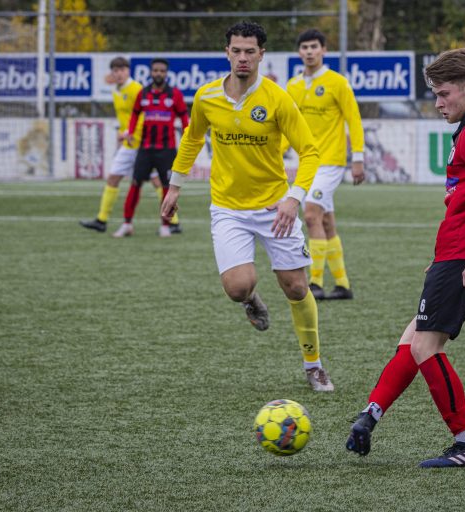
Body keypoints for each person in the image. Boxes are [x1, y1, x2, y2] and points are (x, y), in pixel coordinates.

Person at [345, 48, 465, 467]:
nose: (438, 103)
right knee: (414, 338)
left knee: (425, 345)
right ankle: (368, 416)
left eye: (444, 94)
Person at [160, 21, 334, 392]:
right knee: (237, 287)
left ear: (261, 55)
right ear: (227, 53)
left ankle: (314, 365)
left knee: (295, 288)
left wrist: (293, 198)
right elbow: (191, 140)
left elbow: (310, 152)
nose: (242, 57)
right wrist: (174, 187)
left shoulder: (276, 98)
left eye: (249, 51)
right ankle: (252, 299)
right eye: (236, 51)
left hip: (275, 207)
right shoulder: (206, 97)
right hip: (227, 207)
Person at [286, 29, 365, 300]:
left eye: (314, 47)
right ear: (299, 52)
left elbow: (353, 120)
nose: (309, 51)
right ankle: (342, 285)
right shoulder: (293, 85)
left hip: (330, 162)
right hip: (307, 162)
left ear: (324, 50)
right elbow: (287, 125)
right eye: (304, 47)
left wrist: (358, 158)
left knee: (309, 215)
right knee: (326, 222)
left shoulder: (337, 82)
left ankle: (316, 283)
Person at [79, 57, 177, 233]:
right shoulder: (117, 91)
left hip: (142, 144)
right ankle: (102, 220)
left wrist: (130, 134)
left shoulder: (136, 89)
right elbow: (129, 118)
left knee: (157, 182)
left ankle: (172, 222)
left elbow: (143, 116)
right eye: (115, 71)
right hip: (131, 144)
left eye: (121, 70)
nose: (118, 74)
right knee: (120, 179)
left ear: (128, 71)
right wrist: (125, 133)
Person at [112, 58, 189, 238]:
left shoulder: (174, 95)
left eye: (162, 71)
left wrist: (188, 133)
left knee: (166, 188)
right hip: (145, 148)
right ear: (150, 72)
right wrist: (130, 131)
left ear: (166, 73)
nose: (158, 74)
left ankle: (165, 226)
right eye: (155, 70)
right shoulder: (143, 94)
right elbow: (135, 113)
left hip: (167, 149)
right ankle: (127, 224)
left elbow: (184, 116)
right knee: (135, 185)